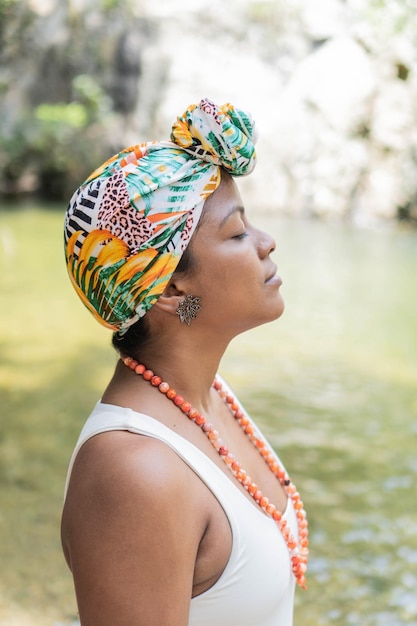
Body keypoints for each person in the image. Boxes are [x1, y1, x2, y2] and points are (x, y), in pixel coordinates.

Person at [61, 98, 308, 626]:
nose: (266, 243)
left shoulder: (212, 397)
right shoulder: (134, 471)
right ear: (172, 288)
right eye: (238, 233)